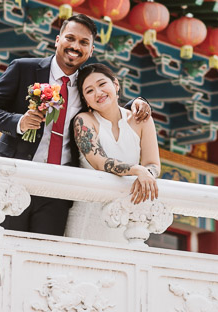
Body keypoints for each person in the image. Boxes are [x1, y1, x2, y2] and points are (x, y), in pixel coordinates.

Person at [0, 13, 152, 235]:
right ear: (57, 40)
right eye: (70, 38)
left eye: (83, 42)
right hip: (15, 177)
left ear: (91, 50)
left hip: (60, 188)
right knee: (3, 247)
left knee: (45, 256)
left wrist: (138, 102)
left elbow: (106, 104)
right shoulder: (24, 69)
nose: (75, 46)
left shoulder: (85, 85)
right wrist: (19, 122)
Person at [64, 62, 161, 242]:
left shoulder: (141, 119)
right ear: (85, 99)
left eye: (102, 84)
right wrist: (137, 170)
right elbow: (100, 162)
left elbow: (153, 164)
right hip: (88, 213)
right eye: (89, 91)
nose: (98, 93)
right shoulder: (84, 121)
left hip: (126, 215)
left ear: (115, 85)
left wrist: (147, 174)